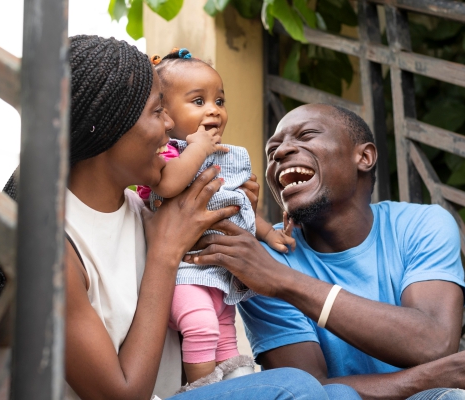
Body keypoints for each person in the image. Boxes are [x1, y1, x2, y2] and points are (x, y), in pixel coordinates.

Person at [0, 37, 361, 400]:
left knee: (339, 395)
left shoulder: (142, 212)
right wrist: (166, 252)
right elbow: (122, 395)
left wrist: (238, 210)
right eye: (157, 110)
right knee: (297, 388)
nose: (170, 124)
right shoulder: (53, 251)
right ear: (107, 129)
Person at [186, 103, 465, 399]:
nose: (280, 153)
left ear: (364, 157)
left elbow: (433, 342)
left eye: (306, 135)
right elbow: (307, 392)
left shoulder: (420, 225)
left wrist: (283, 281)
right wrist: (428, 378)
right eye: (272, 151)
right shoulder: (262, 264)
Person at [136, 48, 295, 389]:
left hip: (220, 277)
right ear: (165, 114)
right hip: (184, 274)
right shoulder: (166, 154)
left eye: (219, 101)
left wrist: (268, 233)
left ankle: (238, 389)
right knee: (201, 328)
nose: (214, 110)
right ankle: (204, 394)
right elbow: (168, 184)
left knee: (226, 338)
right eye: (198, 101)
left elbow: (238, 206)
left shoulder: (226, 156)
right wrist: (198, 149)